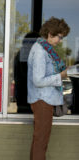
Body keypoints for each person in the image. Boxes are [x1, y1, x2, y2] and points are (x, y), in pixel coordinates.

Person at [27, 17, 70, 160]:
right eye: (60, 37)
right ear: (51, 33)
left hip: (44, 100)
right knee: (41, 141)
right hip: (42, 100)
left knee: (40, 140)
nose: (61, 40)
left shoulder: (45, 49)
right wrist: (61, 76)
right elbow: (38, 80)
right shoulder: (40, 51)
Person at [13, 31, 40, 113]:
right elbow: (25, 74)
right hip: (27, 97)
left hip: (23, 96)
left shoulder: (21, 54)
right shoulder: (24, 55)